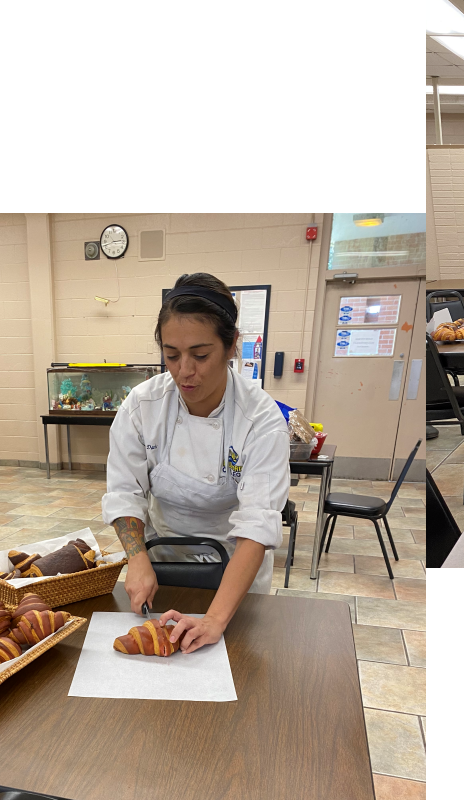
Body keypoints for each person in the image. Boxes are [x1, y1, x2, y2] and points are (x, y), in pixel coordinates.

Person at [101, 272, 291, 653]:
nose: (184, 370)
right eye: (171, 355)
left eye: (200, 355)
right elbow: (125, 491)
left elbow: (257, 523)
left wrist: (215, 619)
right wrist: (137, 560)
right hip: (163, 557)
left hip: (236, 566)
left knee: (233, 661)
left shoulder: (260, 419)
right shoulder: (142, 406)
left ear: (232, 345)